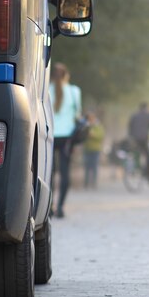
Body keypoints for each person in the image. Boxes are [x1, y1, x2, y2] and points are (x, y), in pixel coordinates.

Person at [49, 63, 82, 218]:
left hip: (49, 135)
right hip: (68, 138)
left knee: (49, 172)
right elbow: (77, 115)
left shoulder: (46, 90)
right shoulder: (74, 91)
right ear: (66, 75)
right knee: (64, 172)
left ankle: (49, 207)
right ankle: (61, 207)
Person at [128, 102, 149, 184]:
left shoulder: (134, 116)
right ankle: (148, 174)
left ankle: (136, 167)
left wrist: (131, 136)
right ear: (147, 107)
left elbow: (130, 126)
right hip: (144, 139)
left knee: (136, 153)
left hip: (134, 139)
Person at [83, 112, 105, 189]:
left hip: (95, 149)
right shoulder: (86, 126)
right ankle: (86, 183)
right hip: (87, 149)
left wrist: (93, 134)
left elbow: (101, 136)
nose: (90, 120)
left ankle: (94, 183)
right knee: (87, 167)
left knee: (94, 167)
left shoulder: (98, 126)